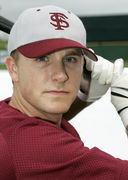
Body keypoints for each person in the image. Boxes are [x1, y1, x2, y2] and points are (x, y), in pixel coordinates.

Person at [0, 5, 128, 179]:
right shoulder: (42, 150)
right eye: (42, 59)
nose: (61, 75)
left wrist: (86, 97)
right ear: (13, 68)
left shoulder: (7, 116)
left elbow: (43, 125)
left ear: (83, 66)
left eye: (70, 59)